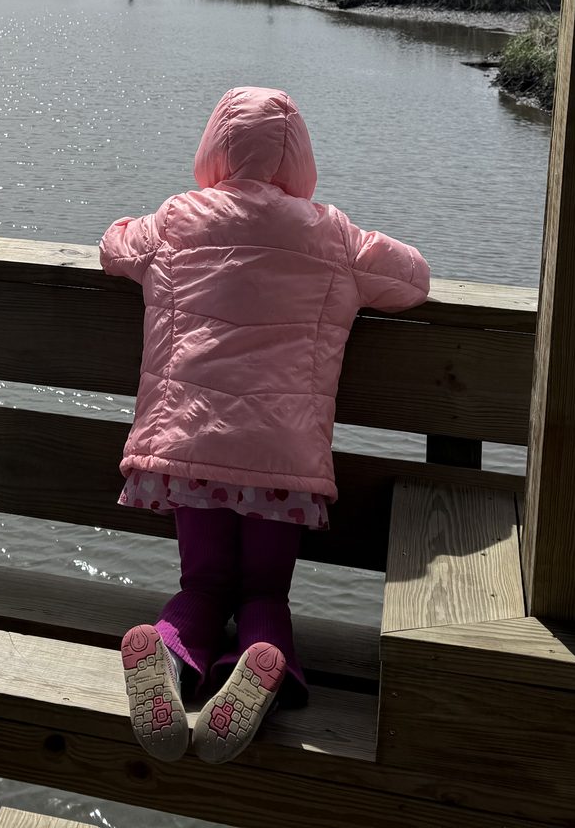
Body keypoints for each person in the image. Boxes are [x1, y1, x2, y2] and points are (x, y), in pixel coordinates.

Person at [103, 87, 430, 764]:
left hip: (186, 452)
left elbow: (114, 247)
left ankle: (165, 656)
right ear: (301, 161)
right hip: (282, 465)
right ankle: (257, 665)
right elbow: (412, 279)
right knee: (262, 592)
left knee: (201, 586)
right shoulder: (334, 234)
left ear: (212, 152)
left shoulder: (175, 220)